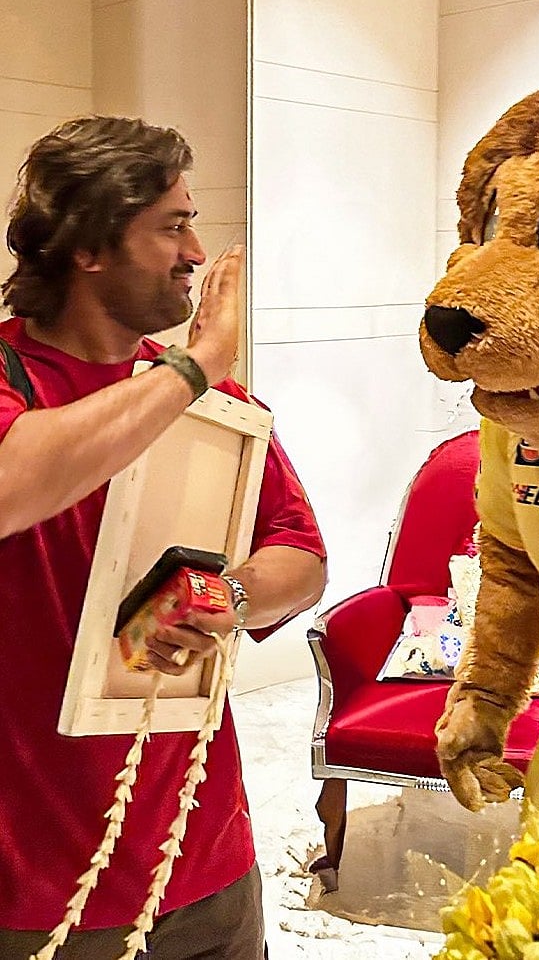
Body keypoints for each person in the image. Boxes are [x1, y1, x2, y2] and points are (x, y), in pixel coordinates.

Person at [0, 115, 327, 960]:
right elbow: (12, 483)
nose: (195, 249)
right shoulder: (17, 383)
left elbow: (300, 551)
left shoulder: (217, 411)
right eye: (171, 223)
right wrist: (193, 366)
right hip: (34, 881)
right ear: (88, 247)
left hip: (202, 857)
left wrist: (230, 596)